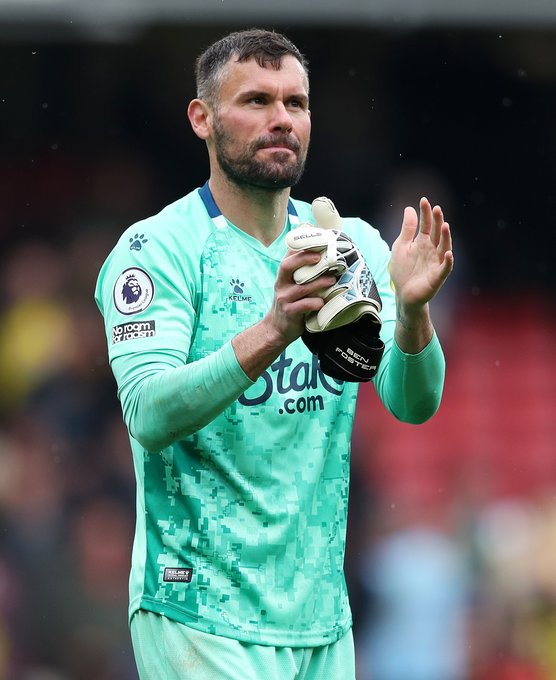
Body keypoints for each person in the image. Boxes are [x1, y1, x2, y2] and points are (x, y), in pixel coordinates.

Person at [94, 28, 454, 680]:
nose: (281, 119)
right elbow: (148, 413)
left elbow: (414, 403)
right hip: (197, 606)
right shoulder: (158, 252)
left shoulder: (348, 247)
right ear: (202, 118)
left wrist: (414, 310)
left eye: (296, 102)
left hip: (318, 617)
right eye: (257, 100)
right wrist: (276, 329)